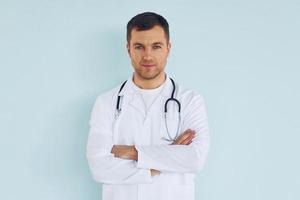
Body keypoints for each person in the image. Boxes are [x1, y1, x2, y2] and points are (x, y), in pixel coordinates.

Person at [86, 12, 210, 200]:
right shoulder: (107, 102)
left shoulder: (190, 101)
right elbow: (99, 167)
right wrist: (166, 158)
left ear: (168, 48)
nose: (148, 55)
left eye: (156, 46)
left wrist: (132, 152)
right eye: (139, 47)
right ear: (128, 49)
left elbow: (195, 158)